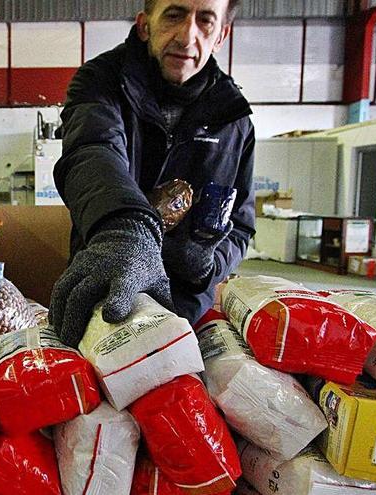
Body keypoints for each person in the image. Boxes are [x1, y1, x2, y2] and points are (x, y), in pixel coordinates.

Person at [50, 0, 255, 345]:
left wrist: (208, 264)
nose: (187, 36)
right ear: (145, 25)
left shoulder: (234, 120)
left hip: (187, 314)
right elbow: (92, 149)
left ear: (221, 34)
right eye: (174, 16)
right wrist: (124, 231)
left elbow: (242, 224)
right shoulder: (101, 83)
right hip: (107, 293)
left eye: (205, 21)